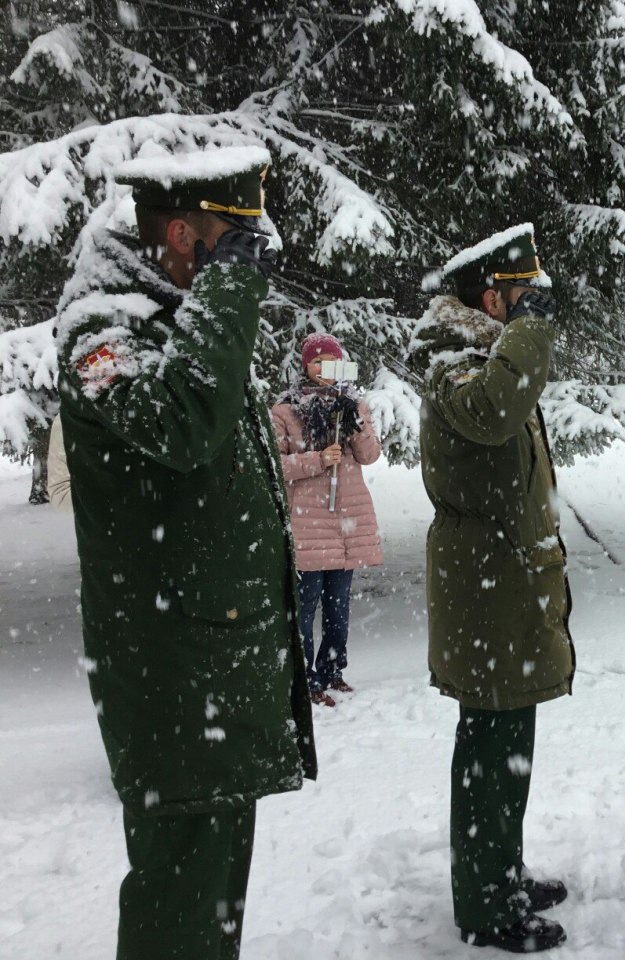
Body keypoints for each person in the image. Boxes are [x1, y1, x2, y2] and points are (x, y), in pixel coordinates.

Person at [55, 146, 317, 959]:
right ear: (181, 236)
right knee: (181, 899)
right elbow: (182, 424)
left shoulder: (177, 324)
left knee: (210, 896)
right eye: (234, 241)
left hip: (213, 663)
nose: (251, 263)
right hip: (174, 678)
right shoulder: (105, 333)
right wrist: (230, 286)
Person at [412, 224, 573, 953]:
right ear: (489, 298)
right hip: (485, 586)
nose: (535, 308)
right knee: (489, 745)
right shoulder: (456, 363)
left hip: (506, 580)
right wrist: (531, 332)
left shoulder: (480, 357)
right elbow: (495, 411)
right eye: (521, 296)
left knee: (509, 736)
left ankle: (499, 869)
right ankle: (484, 905)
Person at [271, 331, 384, 707]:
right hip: (308, 525)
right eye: (317, 361)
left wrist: (358, 423)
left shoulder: (352, 405)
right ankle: (305, 679)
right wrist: (317, 461)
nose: (323, 369)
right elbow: (274, 465)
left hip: (346, 522)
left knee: (338, 604)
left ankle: (333, 670)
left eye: (330, 361)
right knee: (305, 606)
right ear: (306, 365)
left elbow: (369, 456)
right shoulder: (286, 410)